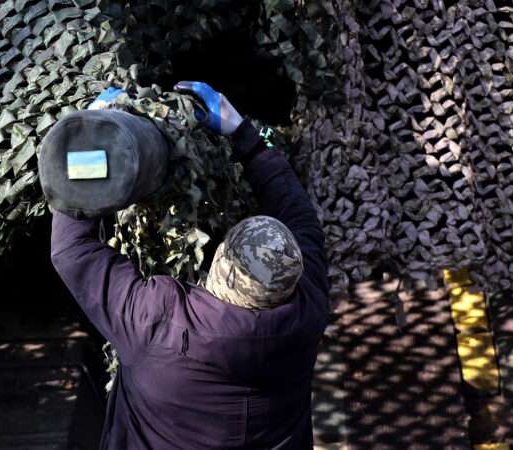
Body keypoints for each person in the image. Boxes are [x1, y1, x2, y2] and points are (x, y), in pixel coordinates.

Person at [50, 81, 329, 449]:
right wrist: (248, 137)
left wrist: (86, 140)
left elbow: (73, 250)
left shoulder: (161, 323)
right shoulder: (308, 307)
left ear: (219, 265)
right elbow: (301, 218)